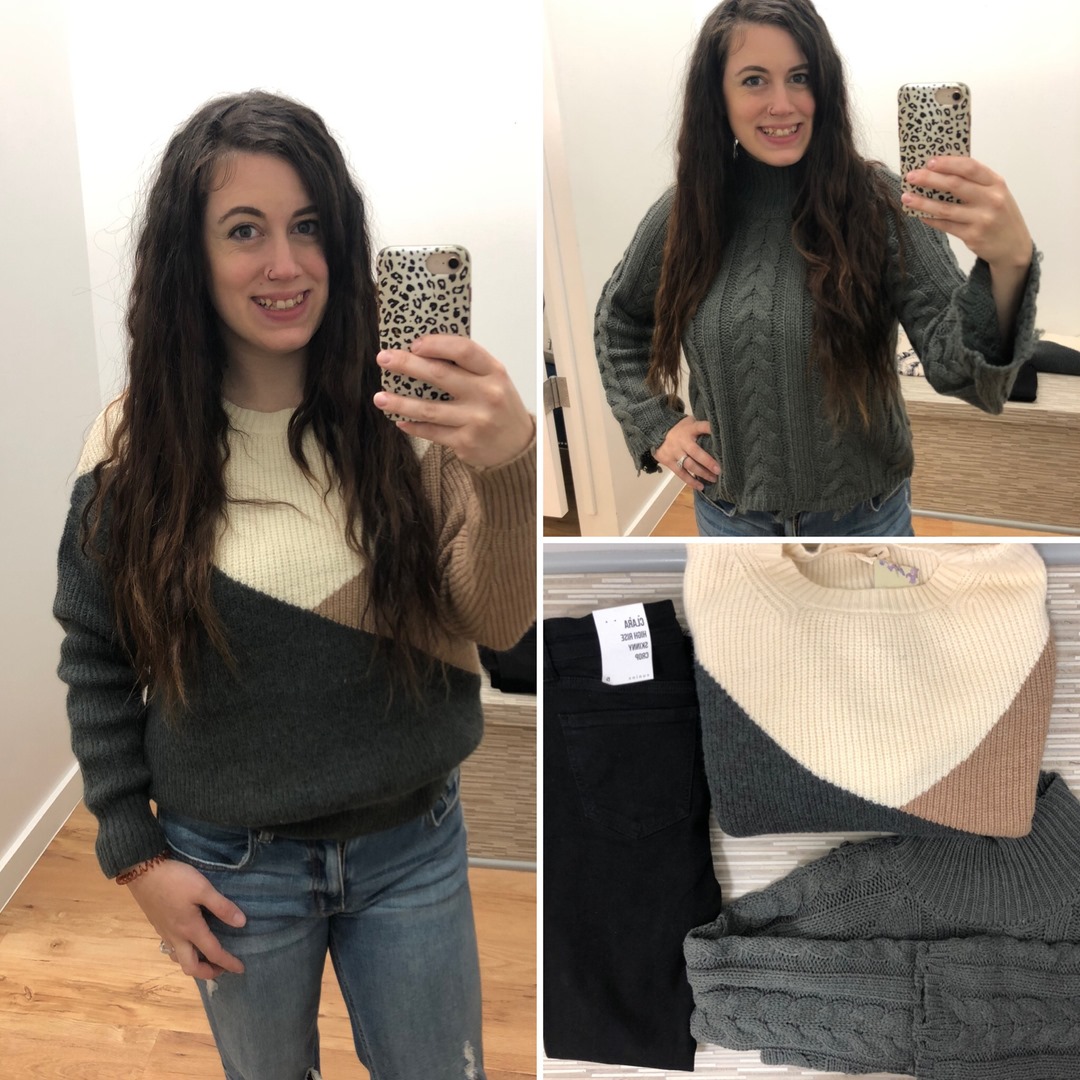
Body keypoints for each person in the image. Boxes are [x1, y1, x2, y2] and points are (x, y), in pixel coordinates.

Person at [53, 90, 535, 1080]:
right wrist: (136, 855)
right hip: (230, 866)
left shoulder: (415, 418)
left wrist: (509, 465)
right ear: (191, 257)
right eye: (245, 231)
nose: (286, 263)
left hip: (414, 842)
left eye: (309, 226)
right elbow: (95, 657)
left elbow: (495, 620)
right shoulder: (132, 449)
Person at [594, 0, 1039, 537]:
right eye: (754, 80)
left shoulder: (880, 204)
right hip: (731, 520)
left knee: (889, 601)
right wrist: (656, 426)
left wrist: (1008, 262)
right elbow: (620, 320)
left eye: (800, 77)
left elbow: (965, 375)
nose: (782, 105)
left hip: (868, 522)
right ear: (718, 95)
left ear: (824, 86)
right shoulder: (686, 212)